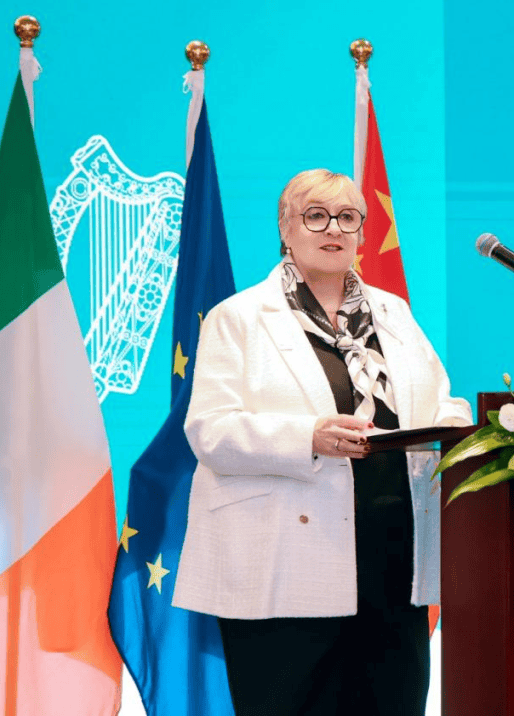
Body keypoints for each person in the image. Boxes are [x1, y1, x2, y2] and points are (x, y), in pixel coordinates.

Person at [172, 168, 472, 715]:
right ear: (286, 228)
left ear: (361, 233)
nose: (333, 228)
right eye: (316, 216)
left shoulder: (393, 313)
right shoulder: (239, 317)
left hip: (391, 559)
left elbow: (440, 400)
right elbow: (210, 430)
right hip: (284, 564)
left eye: (348, 217)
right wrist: (307, 437)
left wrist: (453, 426)